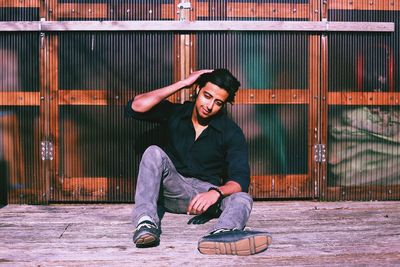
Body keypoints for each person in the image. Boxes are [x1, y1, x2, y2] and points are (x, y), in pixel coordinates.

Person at [126, 69, 272, 256]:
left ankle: (222, 233)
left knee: (242, 198)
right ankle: (146, 223)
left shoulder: (231, 132)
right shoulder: (177, 113)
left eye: (218, 102)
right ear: (197, 90)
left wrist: (216, 192)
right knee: (153, 152)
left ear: (224, 104)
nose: (209, 106)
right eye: (207, 96)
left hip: (205, 197)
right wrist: (183, 83)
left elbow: (240, 182)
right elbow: (136, 106)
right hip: (171, 189)